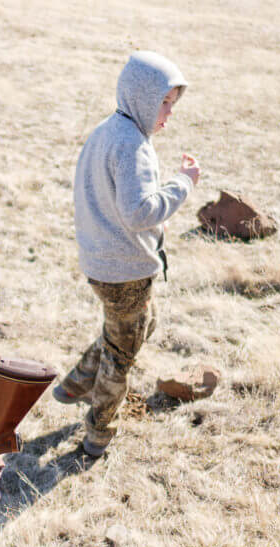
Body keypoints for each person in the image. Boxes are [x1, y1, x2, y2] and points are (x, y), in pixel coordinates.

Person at [55, 51, 201, 456]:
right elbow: (138, 211)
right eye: (164, 103)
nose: (169, 114)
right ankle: (99, 432)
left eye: (173, 104)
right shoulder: (132, 145)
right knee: (123, 352)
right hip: (125, 272)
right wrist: (183, 184)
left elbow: (115, 203)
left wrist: (156, 222)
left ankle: (76, 382)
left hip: (102, 262)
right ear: (140, 97)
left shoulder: (108, 130)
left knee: (138, 326)